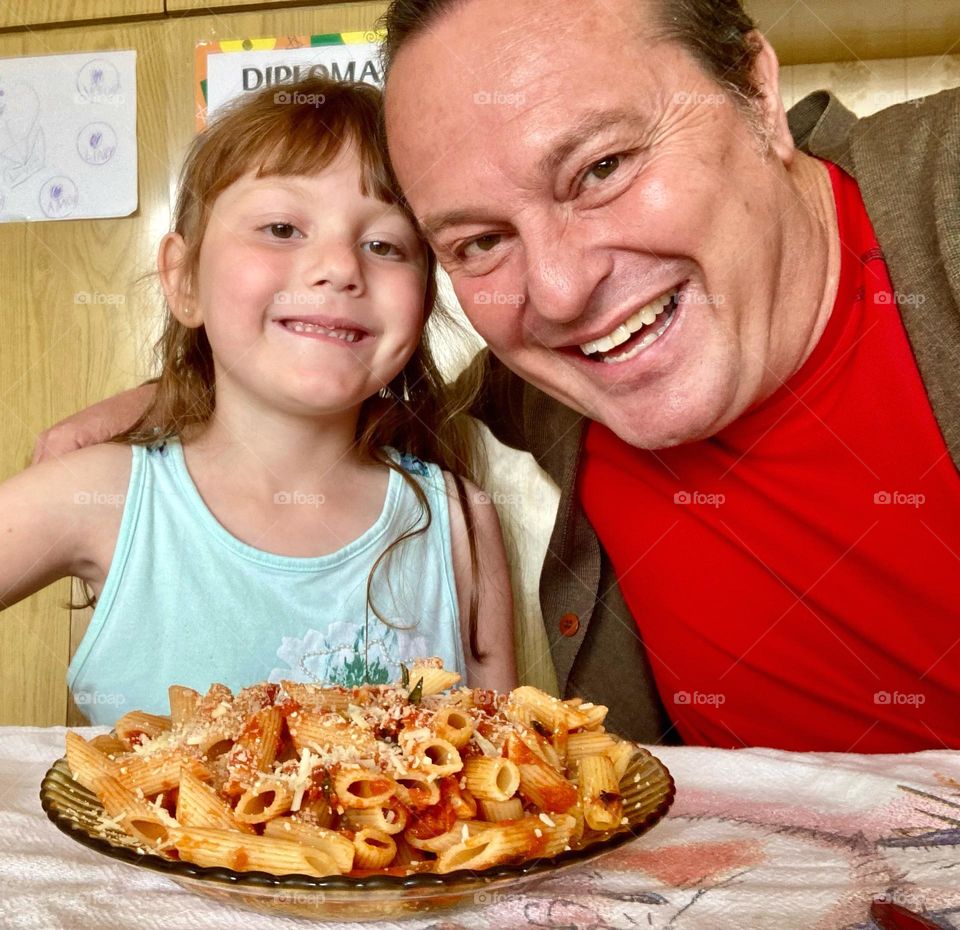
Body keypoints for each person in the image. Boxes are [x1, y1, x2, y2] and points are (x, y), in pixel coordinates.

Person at [34, 1, 960, 752]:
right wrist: (194, 395)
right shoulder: (552, 371)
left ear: (757, 94)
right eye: (479, 241)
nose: (559, 292)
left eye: (601, 168)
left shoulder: (937, 198)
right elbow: (357, 382)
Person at [1, 75, 516, 725]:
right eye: (281, 227)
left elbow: (509, 764)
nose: (339, 266)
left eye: (384, 244)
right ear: (184, 280)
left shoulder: (458, 518)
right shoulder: (100, 495)